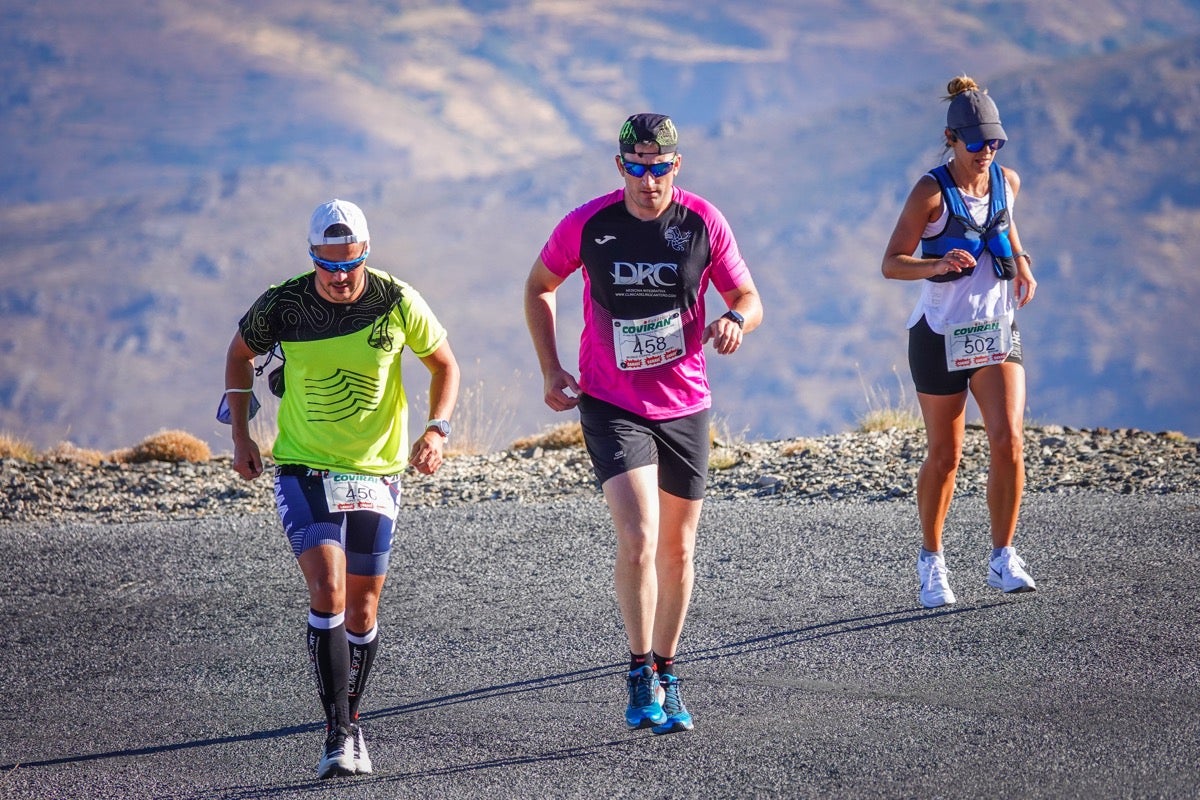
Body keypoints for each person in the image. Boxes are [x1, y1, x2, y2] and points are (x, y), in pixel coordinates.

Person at [524, 113, 763, 734]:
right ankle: (637, 669)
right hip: (612, 401)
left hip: (684, 404)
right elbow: (539, 285)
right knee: (638, 538)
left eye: (659, 169)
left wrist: (736, 320)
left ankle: (667, 670)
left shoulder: (703, 221)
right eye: (636, 167)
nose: (648, 180)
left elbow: (749, 297)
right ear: (620, 166)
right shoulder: (589, 223)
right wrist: (551, 368)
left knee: (677, 551)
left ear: (676, 166)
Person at [221, 198, 459, 778]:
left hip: (376, 472)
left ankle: (351, 714)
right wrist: (242, 436)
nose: (339, 276)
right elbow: (239, 355)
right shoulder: (283, 303)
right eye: (327, 265)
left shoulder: (397, 299)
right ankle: (339, 732)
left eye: (350, 263)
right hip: (304, 466)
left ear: (365, 254)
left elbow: (444, 365)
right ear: (312, 258)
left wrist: (437, 429)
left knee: (363, 606)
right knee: (328, 589)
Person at [881, 77, 1038, 609]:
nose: (986, 152)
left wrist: (1022, 263)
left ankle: (1003, 556)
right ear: (951, 139)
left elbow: (1005, 225)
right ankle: (931, 560)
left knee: (1008, 440)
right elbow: (891, 263)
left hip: (996, 330)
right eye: (976, 144)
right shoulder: (930, 192)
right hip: (939, 334)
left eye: (994, 142)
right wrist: (937, 265)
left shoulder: (1006, 181)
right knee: (946, 456)